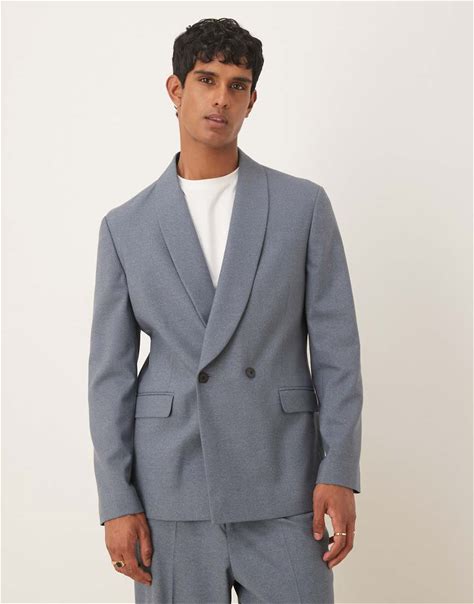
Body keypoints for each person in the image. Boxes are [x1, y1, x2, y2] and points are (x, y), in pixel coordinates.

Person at [88, 17, 363, 604]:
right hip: (171, 487)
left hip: (285, 480)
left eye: (238, 85)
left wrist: (339, 468)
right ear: (175, 89)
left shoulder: (302, 206)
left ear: (252, 101)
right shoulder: (126, 227)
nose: (221, 98)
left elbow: (338, 353)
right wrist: (117, 499)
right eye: (206, 79)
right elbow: (109, 378)